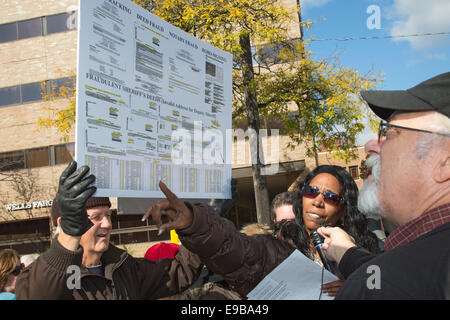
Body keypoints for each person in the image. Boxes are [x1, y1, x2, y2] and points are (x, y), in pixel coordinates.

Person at [142, 165, 379, 298]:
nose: (317, 201)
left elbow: (388, 287)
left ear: (344, 209)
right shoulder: (278, 248)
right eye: (310, 191)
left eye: (329, 196)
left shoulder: (367, 254)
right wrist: (195, 222)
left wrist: (354, 286)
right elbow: (235, 249)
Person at [318, 72, 450, 299]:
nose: (371, 145)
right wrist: (347, 253)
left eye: (389, 133)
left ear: (445, 162)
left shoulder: (378, 289)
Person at [15, 161, 203, 300]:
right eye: (96, 217)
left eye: (108, 215)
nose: (106, 224)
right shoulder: (41, 278)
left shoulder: (124, 267)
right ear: (65, 224)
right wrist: (68, 237)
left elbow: (179, 272)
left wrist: (194, 225)